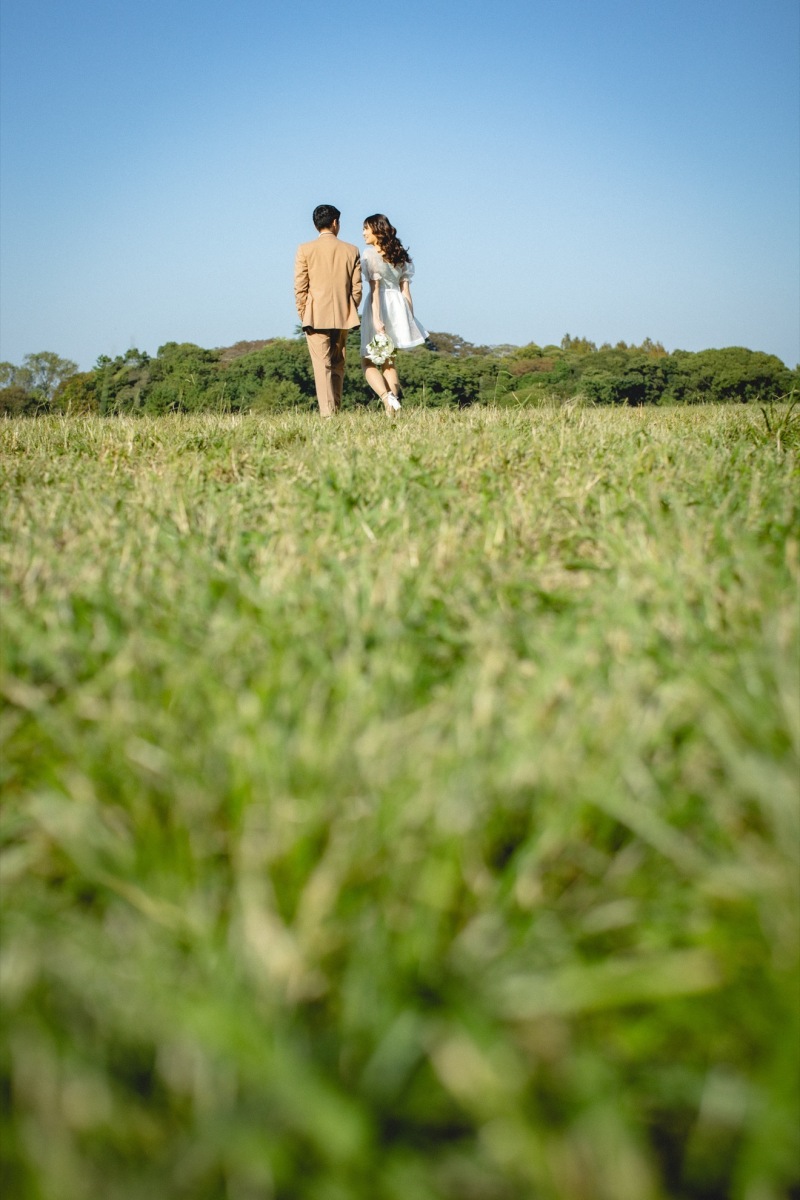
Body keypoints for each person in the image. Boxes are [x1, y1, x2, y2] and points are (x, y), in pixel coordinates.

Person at [294, 204, 362, 417]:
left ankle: (328, 414)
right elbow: (357, 289)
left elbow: (300, 286)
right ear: (335, 223)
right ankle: (336, 410)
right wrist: (349, 308)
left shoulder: (305, 249)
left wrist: (304, 312)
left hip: (314, 316)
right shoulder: (351, 250)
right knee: (338, 364)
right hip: (344, 316)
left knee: (321, 366)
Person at [360, 214, 427, 414]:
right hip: (398, 306)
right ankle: (394, 408)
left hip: (379, 306)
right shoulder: (400, 255)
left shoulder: (370, 254)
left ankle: (387, 399)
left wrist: (377, 319)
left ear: (376, 230)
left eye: (366, 229)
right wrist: (409, 318)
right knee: (389, 362)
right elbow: (406, 291)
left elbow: (375, 289)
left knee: (368, 360)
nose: (363, 233)